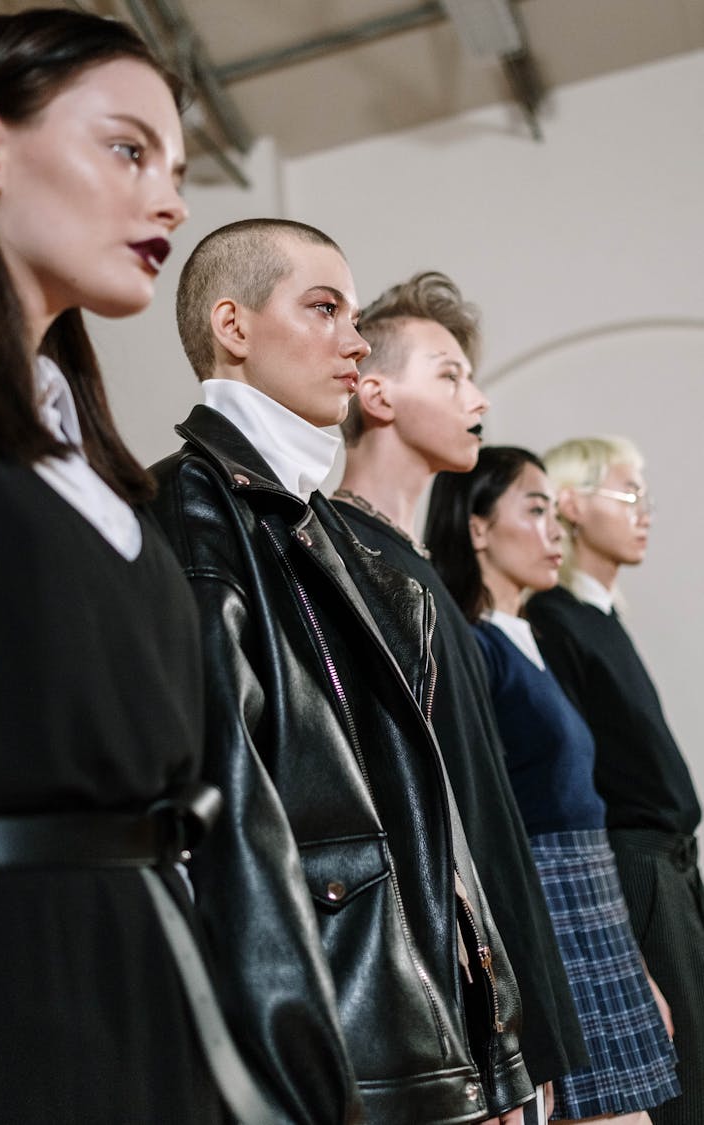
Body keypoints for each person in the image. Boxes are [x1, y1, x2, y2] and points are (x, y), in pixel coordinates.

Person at [0, 9, 269, 1124]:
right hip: (3, 995)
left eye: (178, 167)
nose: (171, 202)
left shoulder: (100, 465)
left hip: (150, 968)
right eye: (128, 149)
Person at [150, 219, 535, 1124]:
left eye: (355, 315)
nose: (354, 341)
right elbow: (230, 825)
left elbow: (422, 810)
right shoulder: (193, 514)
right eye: (323, 308)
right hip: (338, 1045)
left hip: (416, 1020)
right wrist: (309, 1084)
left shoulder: (326, 532)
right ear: (233, 326)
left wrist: (497, 1044)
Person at [333, 271, 590, 1125]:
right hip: (446, 1005)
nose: (476, 395)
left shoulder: (423, 575)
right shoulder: (346, 563)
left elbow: (489, 814)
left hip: (500, 994)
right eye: (448, 374)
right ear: (375, 392)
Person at [425, 445, 681, 1123]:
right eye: (533, 511)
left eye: (552, 513)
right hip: (546, 900)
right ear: (478, 528)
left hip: (595, 895)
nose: (553, 532)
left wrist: (638, 965)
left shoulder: (527, 634)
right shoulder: (476, 644)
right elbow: (483, 814)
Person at [526, 436, 704, 1125]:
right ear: (570, 504)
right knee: (677, 1084)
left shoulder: (600, 615)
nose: (644, 511)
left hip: (670, 867)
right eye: (628, 493)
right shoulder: (554, 618)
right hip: (631, 869)